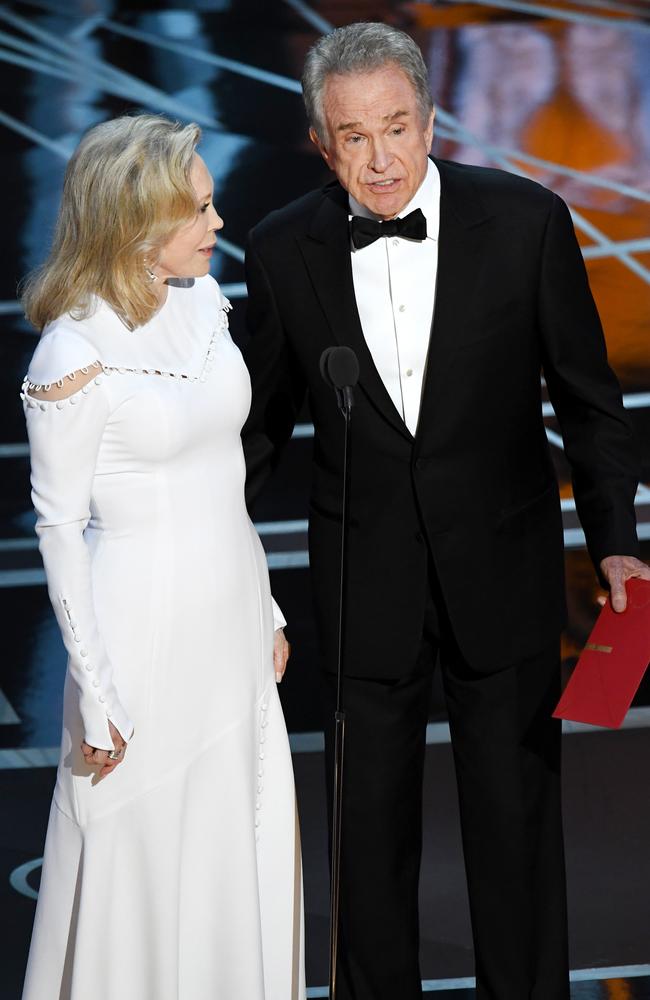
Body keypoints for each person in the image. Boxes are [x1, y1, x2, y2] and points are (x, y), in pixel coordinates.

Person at [241, 22, 649, 1000]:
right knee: (366, 850)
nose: (379, 159)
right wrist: (206, 561)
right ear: (317, 141)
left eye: (395, 127)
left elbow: (587, 404)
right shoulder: (280, 246)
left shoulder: (524, 221)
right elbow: (256, 432)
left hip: (500, 575)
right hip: (359, 583)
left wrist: (616, 546)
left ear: (431, 121)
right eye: (352, 137)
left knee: (514, 832)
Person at [20, 114, 305, 1000]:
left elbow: (226, 477)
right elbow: (59, 529)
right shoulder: (71, 351)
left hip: (230, 622)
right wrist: (98, 698)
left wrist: (266, 610)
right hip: (138, 638)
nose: (218, 225)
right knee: (137, 853)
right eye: (199, 211)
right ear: (135, 224)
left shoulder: (204, 303)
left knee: (237, 835)